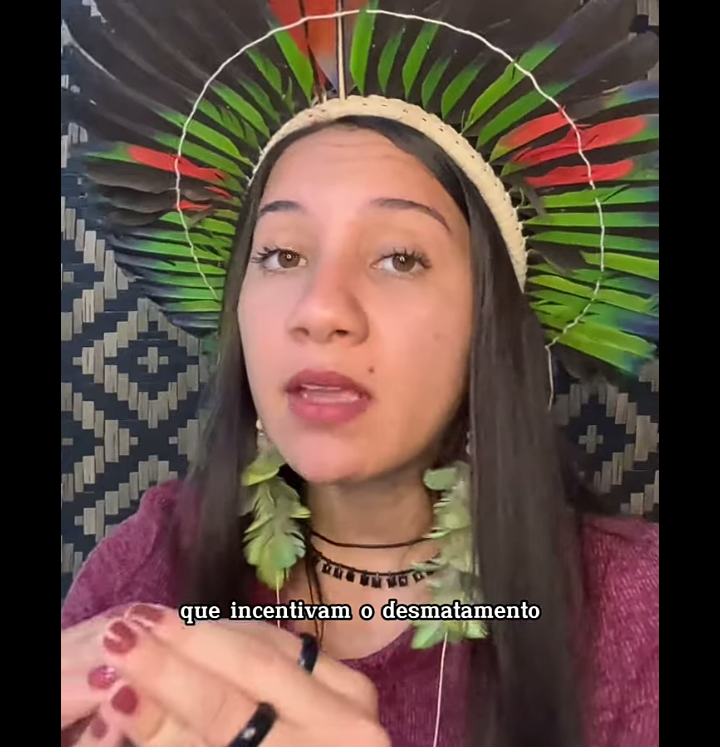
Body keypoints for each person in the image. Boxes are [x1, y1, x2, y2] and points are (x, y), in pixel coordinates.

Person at [60, 1, 659, 746]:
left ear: (489, 326)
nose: (320, 310)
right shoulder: (143, 572)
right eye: (282, 254)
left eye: (399, 257)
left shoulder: (638, 615)